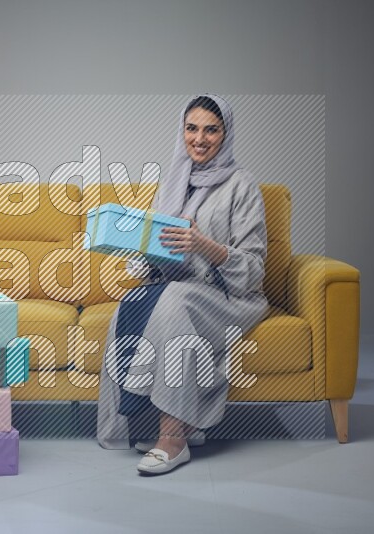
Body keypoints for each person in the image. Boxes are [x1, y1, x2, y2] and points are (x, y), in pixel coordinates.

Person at [96, 94, 269, 475]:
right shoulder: (174, 181)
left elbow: (255, 271)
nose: (200, 139)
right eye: (192, 128)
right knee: (133, 301)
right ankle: (135, 424)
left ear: (226, 134)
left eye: (211, 129)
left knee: (173, 302)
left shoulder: (242, 185)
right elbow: (166, 255)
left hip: (229, 296)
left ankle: (173, 437)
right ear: (182, 131)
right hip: (183, 286)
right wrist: (141, 249)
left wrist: (203, 244)